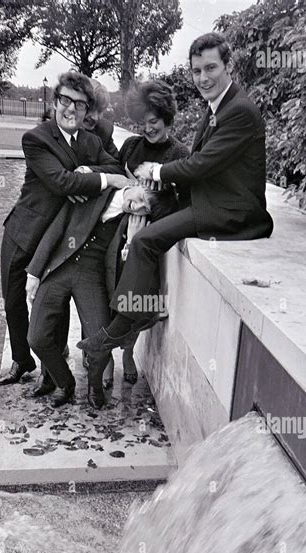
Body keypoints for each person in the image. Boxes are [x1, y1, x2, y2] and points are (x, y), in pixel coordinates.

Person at [77, 32, 274, 357]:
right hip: (211, 200)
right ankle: (143, 310)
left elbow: (202, 164)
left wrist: (156, 172)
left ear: (228, 65)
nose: (203, 78)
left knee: (144, 241)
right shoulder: (220, 107)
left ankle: (120, 327)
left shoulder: (239, 111)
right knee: (149, 219)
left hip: (233, 212)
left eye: (211, 68)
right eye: (197, 71)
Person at [0, 71, 127, 387]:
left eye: (79, 105)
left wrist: (91, 171)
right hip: (24, 231)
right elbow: (60, 182)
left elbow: (115, 166)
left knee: (54, 302)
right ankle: (22, 360)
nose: (71, 109)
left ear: (86, 111)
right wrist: (101, 180)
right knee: (14, 300)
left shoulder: (90, 141)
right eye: (64, 101)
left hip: (58, 235)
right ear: (55, 102)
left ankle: (54, 366)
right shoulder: (36, 138)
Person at [25, 184, 178, 409]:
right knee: (36, 338)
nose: (136, 207)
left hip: (93, 277)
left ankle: (94, 385)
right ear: (139, 186)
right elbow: (56, 229)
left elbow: (133, 269)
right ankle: (65, 382)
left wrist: (131, 242)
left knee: (100, 343)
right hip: (59, 268)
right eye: (141, 198)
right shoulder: (92, 190)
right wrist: (35, 272)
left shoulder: (136, 224)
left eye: (144, 209)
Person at [103, 80, 190, 387]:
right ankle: (108, 355)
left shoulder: (180, 153)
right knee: (111, 290)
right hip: (120, 229)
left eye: (153, 122)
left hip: (151, 238)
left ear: (166, 118)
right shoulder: (130, 147)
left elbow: (183, 205)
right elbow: (114, 181)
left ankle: (128, 352)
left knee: (136, 299)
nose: (147, 129)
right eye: (142, 123)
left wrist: (151, 206)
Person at [83, 79, 119, 159]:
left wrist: (88, 170)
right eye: (91, 108)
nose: (95, 117)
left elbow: (117, 166)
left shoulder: (104, 131)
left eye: (100, 111)